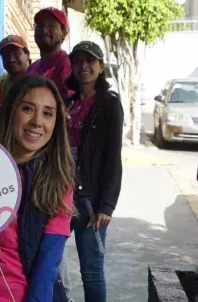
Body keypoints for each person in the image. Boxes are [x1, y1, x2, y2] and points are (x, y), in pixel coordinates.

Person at [0, 76, 74, 302]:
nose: (37, 121)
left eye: (48, 113)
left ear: (56, 123)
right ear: (11, 111)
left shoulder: (58, 179)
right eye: (27, 108)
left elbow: (49, 261)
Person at [65, 41, 124, 302]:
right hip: (61, 194)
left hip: (90, 200)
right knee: (45, 263)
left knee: (91, 272)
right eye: (77, 61)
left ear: (101, 66)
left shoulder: (109, 104)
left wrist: (107, 206)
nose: (83, 66)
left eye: (90, 61)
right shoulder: (67, 103)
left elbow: (113, 157)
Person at [28, 7, 72, 99]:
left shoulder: (66, 65)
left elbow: (67, 108)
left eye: (51, 26)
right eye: (39, 26)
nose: (44, 31)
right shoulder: (32, 68)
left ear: (63, 32)